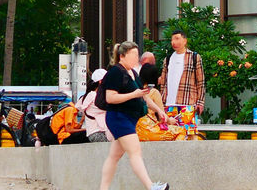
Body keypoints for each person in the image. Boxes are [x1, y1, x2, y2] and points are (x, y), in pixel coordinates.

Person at [99, 41, 169, 190]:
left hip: (128, 118)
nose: (136, 58)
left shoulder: (133, 73)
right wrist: (133, 94)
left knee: (114, 157)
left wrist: (158, 110)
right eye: (133, 55)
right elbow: (110, 98)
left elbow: (144, 96)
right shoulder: (115, 72)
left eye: (137, 55)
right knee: (135, 151)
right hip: (118, 117)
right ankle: (151, 186)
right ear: (122, 56)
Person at [160, 30, 205, 115]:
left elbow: (201, 81)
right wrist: (161, 101)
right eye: (172, 39)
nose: (174, 42)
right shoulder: (168, 59)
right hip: (168, 104)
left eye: (177, 39)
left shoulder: (194, 57)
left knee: (187, 128)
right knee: (170, 128)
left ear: (185, 41)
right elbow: (163, 82)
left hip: (187, 103)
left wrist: (200, 102)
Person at [136, 64, 185, 142]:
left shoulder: (136, 90)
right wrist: (170, 120)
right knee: (180, 131)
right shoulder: (154, 92)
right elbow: (162, 118)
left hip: (135, 131)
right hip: (149, 131)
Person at [77, 68, 112, 142]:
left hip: (95, 133)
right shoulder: (93, 96)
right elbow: (106, 107)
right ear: (100, 81)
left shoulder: (90, 95)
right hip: (98, 132)